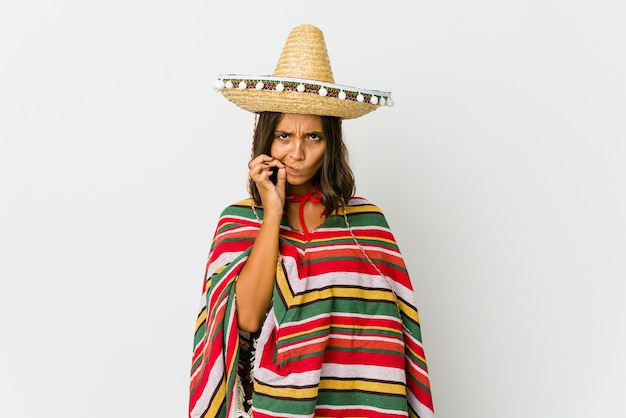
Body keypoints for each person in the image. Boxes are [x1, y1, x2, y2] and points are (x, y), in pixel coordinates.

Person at [189, 24, 434, 418]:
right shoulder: (238, 221)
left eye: (313, 138)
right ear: (266, 139)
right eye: (284, 135)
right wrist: (272, 212)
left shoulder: (365, 222)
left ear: (331, 142)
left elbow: (394, 332)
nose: (297, 152)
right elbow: (247, 319)